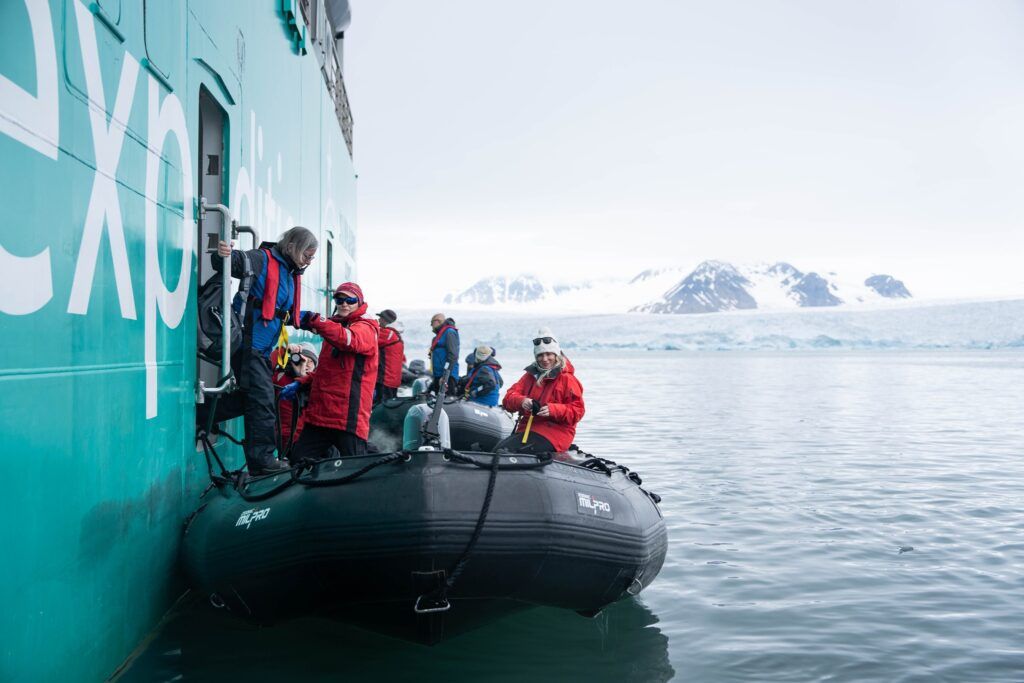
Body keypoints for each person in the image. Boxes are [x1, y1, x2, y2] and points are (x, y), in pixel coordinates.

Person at [200, 226, 318, 474]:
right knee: (263, 401)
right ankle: (262, 463)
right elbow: (231, 262)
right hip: (248, 345)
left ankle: (199, 415)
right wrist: (222, 253)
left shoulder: (288, 272)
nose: (310, 260)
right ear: (293, 246)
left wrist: (315, 322)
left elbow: (283, 313)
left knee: (251, 399)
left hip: (261, 350)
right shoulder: (262, 259)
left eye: (312, 256)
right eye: (307, 254)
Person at [289, 282, 379, 462]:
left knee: (355, 468)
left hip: (347, 418)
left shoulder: (366, 328)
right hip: (321, 416)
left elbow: (350, 340)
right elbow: (325, 371)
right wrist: (301, 382)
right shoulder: (335, 328)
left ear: (359, 302)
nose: (344, 304)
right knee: (298, 461)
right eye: (339, 299)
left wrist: (317, 321)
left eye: (350, 300)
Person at [496, 328, 584, 454]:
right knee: (498, 451)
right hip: (527, 430)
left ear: (556, 355)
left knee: (507, 453)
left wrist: (553, 410)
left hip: (555, 434)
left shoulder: (567, 379)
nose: (545, 359)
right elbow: (508, 399)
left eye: (549, 354)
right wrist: (521, 401)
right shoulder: (529, 377)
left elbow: (578, 411)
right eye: (540, 355)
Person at [272, 342, 318, 453]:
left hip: (308, 439)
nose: (306, 364)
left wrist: (302, 377)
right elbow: (267, 365)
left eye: (310, 362)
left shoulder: (317, 381)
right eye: (303, 360)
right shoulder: (281, 376)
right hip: (283, 436)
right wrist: (283, 350)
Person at [374, 309, 405, 404]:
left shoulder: (388, 333)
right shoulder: (395, 334)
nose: (378, 320)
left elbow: (368, 338)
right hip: (393, 379)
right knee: (390, 404)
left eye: (380, 318)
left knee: (382, 406)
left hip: (385, 378)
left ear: (385, 320)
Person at [428, 313, 459, 394]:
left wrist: (445, 376)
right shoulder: (439, 336)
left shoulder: (449, 332)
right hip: (439, 375)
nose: (431, 325)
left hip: (447, 376)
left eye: (432, 323)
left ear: (437, 321)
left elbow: (452, 355)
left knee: (446, 402)